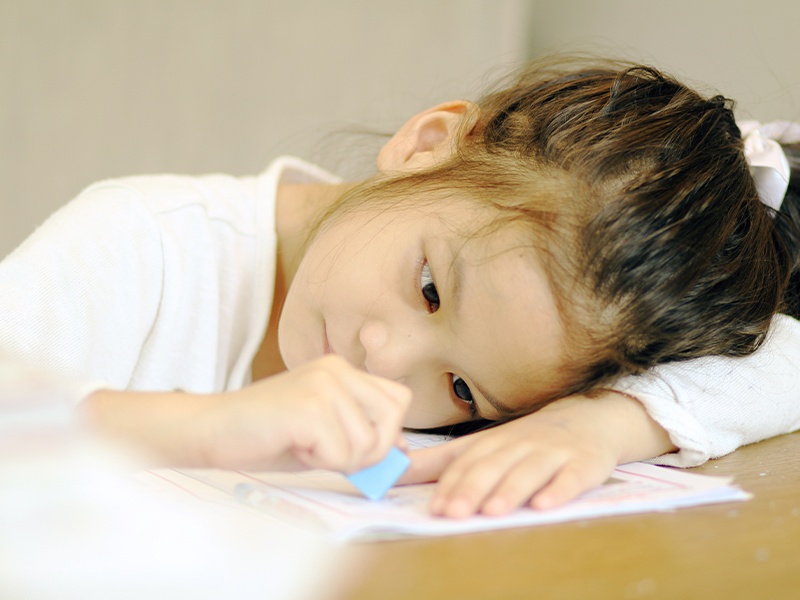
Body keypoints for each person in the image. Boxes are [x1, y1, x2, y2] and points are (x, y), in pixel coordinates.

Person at [2, 57, 799, 518]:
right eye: (429, 290)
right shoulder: (147, 241)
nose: (385, 361)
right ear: (428, 145)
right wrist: (208, 429)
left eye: (461, 389)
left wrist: (602, 426)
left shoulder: (546, 362)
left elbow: (784, 360)